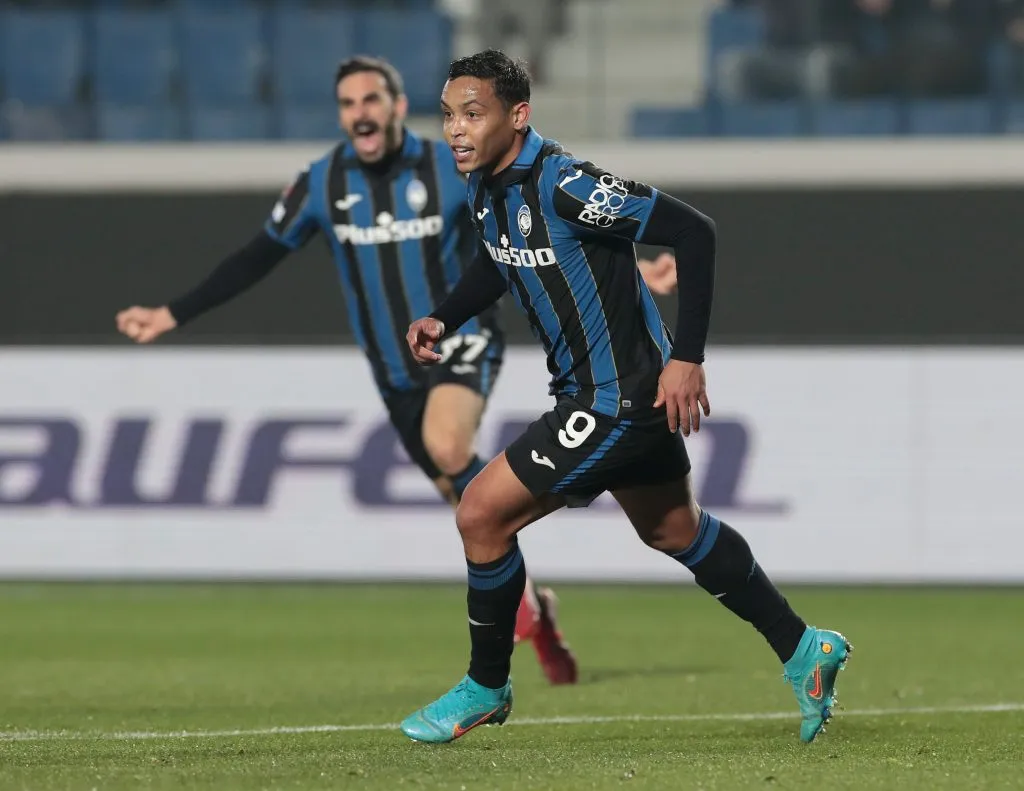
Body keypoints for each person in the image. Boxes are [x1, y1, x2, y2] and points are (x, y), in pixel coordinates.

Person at [114, 57, 682, 685]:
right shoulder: (322, 184)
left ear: (394, 105)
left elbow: (546, 220)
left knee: (452, 452)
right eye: (348, 103)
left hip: (461, 337)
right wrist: (173, 312)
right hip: (396, 367)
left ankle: (501, 633)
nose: (361, 112)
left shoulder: (452, 160)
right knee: (466, 504)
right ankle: (534, 612)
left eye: (372, 99)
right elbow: (257, 257)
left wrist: (634, 269)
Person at [398, 49, 852, 744]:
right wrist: (445, 316)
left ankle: (486, 686)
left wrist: (688, 358)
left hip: (615, 399)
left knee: (482, 516)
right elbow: (500, 258)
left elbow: (694, 232)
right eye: (450, 116)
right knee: (674, 530)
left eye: (473, 114)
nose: (457, 130)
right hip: (600, 395)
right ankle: (803, 646)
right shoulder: (486, 186)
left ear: (518, 116)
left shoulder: (568, 185)